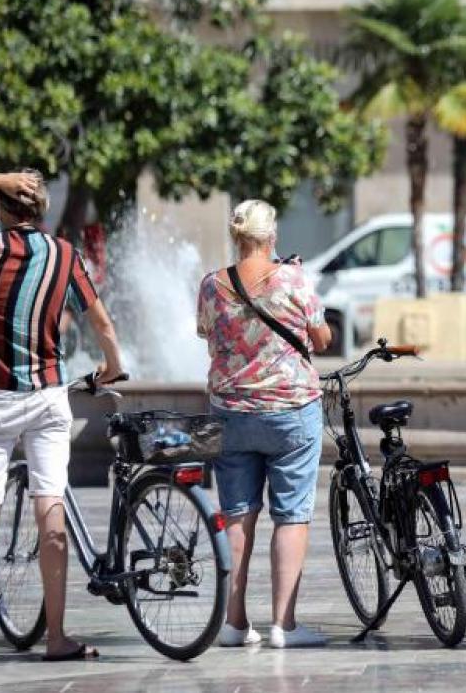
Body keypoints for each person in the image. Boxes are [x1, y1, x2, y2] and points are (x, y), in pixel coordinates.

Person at [0, 170, 125, 663]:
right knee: (49, 506)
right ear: (40, 210)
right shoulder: (65, 255)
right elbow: (102, 323)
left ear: (2, 207)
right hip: (46, 397)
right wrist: (113, 366)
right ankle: (56, 637)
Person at [196, 200, 333, 649]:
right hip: (290, 410)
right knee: (291, 515)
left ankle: (234, 622)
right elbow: (322, 337)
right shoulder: (293, 279)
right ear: (271, 236)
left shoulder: (212, 284)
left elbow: (207, 334)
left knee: (237, 514)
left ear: (236, 237)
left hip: (232, 411)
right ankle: (283, 626)